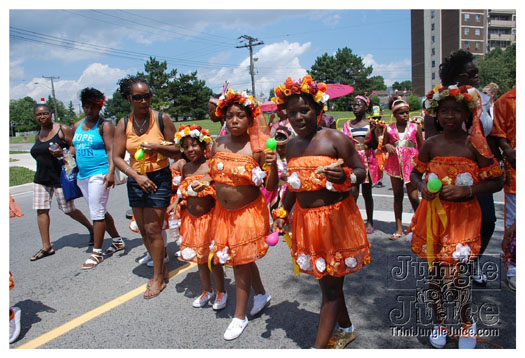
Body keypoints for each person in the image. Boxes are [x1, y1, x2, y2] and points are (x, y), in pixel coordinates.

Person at [271, 75, 370, 349]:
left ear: (318, 110)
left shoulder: (335, 138)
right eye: (292, 112)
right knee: (326, 280)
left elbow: (363, 171)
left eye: (304, 110)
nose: (299, 117)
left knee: (330, 288)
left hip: (334, 220)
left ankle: (318, 348)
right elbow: (293, 184)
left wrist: (345, 175)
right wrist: (282, 213)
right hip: (306, 223)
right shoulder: (291, 145)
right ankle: (346, 328)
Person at [408, 84, 502, 349]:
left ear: (466, 114)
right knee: (436, 275)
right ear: (436, 114)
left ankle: (466, 324)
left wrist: (468, 189)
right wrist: (421, 186)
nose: (449, 116)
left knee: (459, 277)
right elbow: (415, 173)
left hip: (464, 218)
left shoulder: (475, 145)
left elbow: (496, 180)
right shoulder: (431, 144)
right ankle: (439, 322)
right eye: (444, 111)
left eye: (456, 111)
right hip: (434, 218)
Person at [198, 88, 278, 340]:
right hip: (223, 213)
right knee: (241, 257)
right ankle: (261, 293)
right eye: (230, 115)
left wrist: (273, 163)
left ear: (250, 119)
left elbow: (271, 185)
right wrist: (203, 180)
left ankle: (239, 316)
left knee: (239, 262)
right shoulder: (217, 143)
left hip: (247, 213)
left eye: (240, 116)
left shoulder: (257, 147)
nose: (234, 120)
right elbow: (214, 171)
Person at [428, 49, 499, 285]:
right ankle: (445, 267)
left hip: (477, 168)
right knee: (447, 224)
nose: (478, 76)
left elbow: (491, 133)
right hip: (446, 173)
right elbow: (429, 143)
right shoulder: (438, 102)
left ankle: (470, 260)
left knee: (487, 221)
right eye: (473, 72)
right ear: (461, 76)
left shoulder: (479, 101)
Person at [112, 76, 178, 299]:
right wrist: (135, 176)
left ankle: (158, 277)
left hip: (159, 177)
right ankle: (161, 268)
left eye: (147, 96)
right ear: (129, 98)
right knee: (142, 229)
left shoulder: (162, 119)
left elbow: (179, 151)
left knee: (153, 228)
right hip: (136, 178)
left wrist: (158, 147)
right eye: (138, 97)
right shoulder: (123, 123)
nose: (144, 101)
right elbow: (117, 157)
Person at [167, 125, 228, 309]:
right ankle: (206, 290)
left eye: (194, 145)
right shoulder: (185, 168)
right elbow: (182, 192)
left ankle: (220, 291)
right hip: (191, 221)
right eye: (186, 147)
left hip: (209, 220)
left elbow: (220, 191)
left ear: (203, 146)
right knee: (199, 259)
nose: (190, 150)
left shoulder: (210, 166)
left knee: (212, 259)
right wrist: (177, 203)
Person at [29, 103, 94, 261]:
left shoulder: (62, 129)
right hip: (41, 178)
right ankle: (46, 246)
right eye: (39, 114)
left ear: (51, 114)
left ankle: (91, 229)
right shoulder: (39, 134)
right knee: (41, 210)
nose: (42, 117)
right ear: (35, 117)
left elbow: (75, 146)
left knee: (68, 210)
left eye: (45, 113)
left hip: (60, 178)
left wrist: (63, 152)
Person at [72, 88, 124, 269]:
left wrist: (110, 173)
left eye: (93, 107)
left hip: (99, 174)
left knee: (97, 212)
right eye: (86, 107)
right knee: (99, 210)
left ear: (99, 106)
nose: (89, 111)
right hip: (82, 175)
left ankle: (97, 253)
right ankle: (117, 240)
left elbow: (111, 151)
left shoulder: (105, 125)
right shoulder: (77, 125)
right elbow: (74, 147)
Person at [382, 97, 423, 240]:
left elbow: (422, 147)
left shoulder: (415, 127)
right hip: (394, 166)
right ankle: (399, 229)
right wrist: (386, 146)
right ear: (394, 115)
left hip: (411, 166)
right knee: (397, 196)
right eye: (401, 113)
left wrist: (424, 165)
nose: (405, 115)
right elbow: (383, 146)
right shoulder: (388, 128)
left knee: (413, 196)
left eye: (407, 112)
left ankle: (420, 226)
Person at [489, 87, 516, 291]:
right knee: (514, 226)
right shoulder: (506, 101)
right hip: (516, 175)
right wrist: (507, 151)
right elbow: (498, 135)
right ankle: (514, 268)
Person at [343, 95, 379, 234]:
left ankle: (369, 221)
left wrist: (375, 131)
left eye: (358, 105)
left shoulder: (371, 124)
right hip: (352, 161)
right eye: (353, 105)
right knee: (352, 192)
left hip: (367, 161)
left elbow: (374, 145)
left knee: (367, 192)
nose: (355, 107)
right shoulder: (347, 124)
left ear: (366, 107)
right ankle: (352, 219)